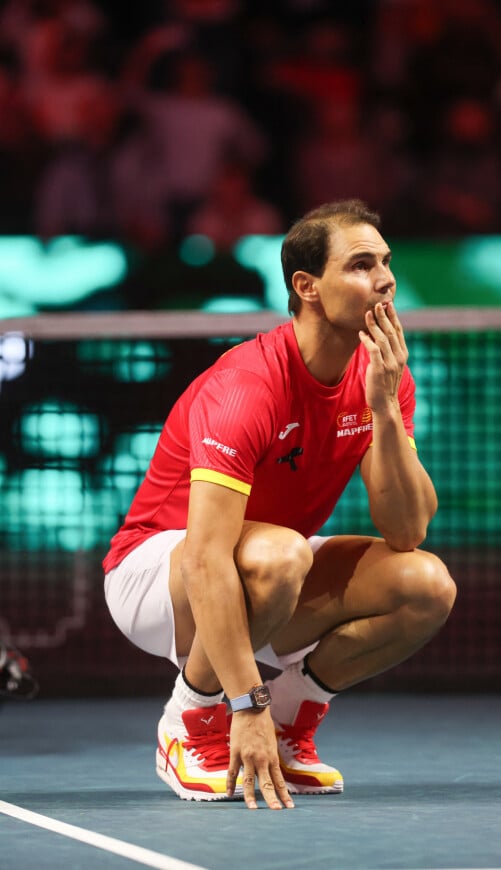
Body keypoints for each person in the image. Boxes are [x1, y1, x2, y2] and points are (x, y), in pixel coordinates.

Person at [103, 199, 456, 811]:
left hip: (267, 575)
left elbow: (407, 528)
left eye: (387, 262)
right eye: (362, 264)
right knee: (281, 556)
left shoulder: (384, 379)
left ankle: (293, 726)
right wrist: (245, 703)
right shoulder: (247, 385)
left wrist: (384, 410)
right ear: (307, 287)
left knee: (426, 584)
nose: (386, 279)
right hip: (156, 574)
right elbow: (209, 558)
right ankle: (188, 721)